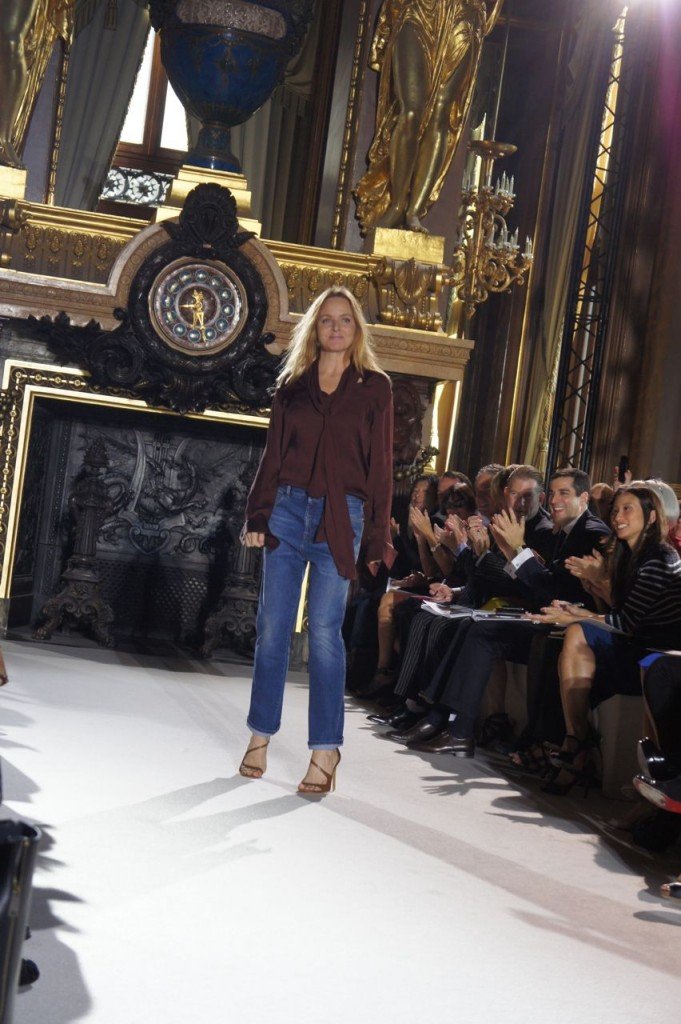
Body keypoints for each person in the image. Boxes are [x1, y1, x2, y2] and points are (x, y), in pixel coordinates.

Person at [239, 286, 395, 793]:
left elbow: (381, 469)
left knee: (325, 632)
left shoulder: (375, 389)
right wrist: (258, 513)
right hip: (287, 511)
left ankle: (325, 749)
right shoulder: (292, 388)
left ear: (356, 329)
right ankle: (260, 735)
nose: (335, 327)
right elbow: (272, 456)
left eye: (345, 320)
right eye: (327, 319)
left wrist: (377, 538)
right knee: (273, 627)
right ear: (315, 328)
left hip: (341, 517)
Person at [531, 485, 681, 794]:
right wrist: (588, 600)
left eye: (627, 509)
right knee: (559, 641)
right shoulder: (626, 555)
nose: (617, 517)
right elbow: (618, 613)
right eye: (615, 510)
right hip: (634, 644)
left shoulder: (660, 557)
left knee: (575, 631)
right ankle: (570, 740)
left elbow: (627, 622)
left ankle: (575, 744)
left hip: (657, 656)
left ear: (652, 517)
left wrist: (579, 616)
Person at [354, 0, 504, 232]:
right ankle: (397, 204)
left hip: (463, 14)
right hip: (418, 8)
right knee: (411, 111)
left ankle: (414, 211)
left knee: (440, 113)